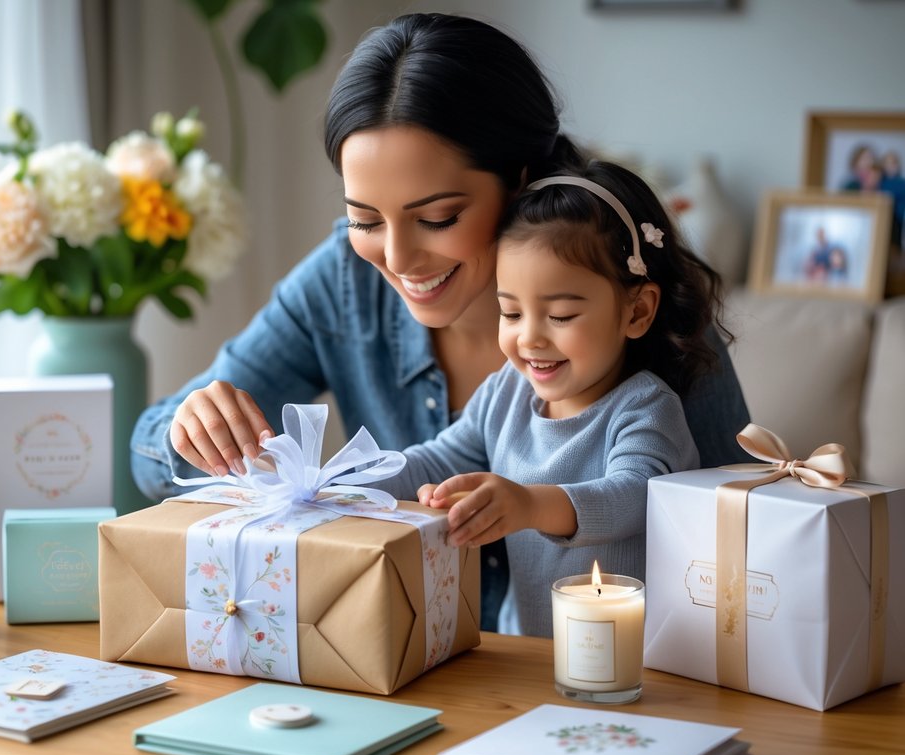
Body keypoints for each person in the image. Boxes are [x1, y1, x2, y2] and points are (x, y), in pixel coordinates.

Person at [130, 12, 751, 632]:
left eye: (438, 218)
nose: (397, 260)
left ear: (522, 184)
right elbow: (152, 451)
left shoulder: (654, 319)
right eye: (365, 220)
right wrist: (209, 438)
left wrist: (534, 505)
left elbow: (731, 534)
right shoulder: (346, 283)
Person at [379, 161, 713, 637]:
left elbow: (634, 496)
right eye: (510, 312)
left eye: (559, 315)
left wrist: (528, 506)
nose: (529, 338)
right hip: (529, 656)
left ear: (636, 311)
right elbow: (438, 458)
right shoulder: (506, 392)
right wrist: (351, 478)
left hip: (635, 662)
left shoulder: (645, 407)